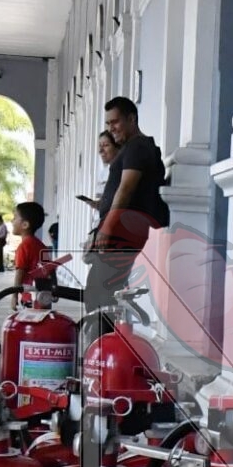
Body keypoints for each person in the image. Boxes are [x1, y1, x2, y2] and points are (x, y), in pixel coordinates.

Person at [87, 97, 169, 315]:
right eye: (108, 124)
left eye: (115, 122)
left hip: (122, 236)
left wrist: (107, 228)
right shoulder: (131, 148)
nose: (111, 129)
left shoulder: (138, 147)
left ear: (131, 119)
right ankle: (101, 345)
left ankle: (104, 346)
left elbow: (126, 189)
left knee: (102, 299)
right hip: (118, 234)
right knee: (99, 297)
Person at [11, 201, 48, 308]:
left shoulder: (23, 247)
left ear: (25, 225)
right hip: (44, 297)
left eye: (15, 217)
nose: (12, 220)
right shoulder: (41, 245)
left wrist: (14, 296)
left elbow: (20, 273)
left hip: (29, 298)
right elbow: (49, 270)